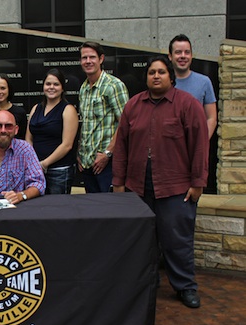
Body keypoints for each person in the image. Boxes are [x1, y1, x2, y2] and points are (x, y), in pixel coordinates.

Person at [112, 56, 209, 308]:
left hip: (176, 188)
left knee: (178, 241)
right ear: (146, 77)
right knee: (143, 241)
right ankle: (147, 283)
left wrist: (198, 183)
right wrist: (119, 183)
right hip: (138, 186)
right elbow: (121, 146)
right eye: (152, 72)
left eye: (162, 72)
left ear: (171, 76)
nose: (156, 76)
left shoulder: (188, 105)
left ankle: (185, 287)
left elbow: (200, 146)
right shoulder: (133, 106)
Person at [77, 41, 129, 193]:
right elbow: (86, 124)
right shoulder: (84, 88)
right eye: (84, 58)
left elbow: (125, 124)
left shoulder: (114, 86)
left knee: (110, 211)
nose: (88, 61)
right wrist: (80, 153)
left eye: (92, 57)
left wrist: (107, 154)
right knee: (93, 211)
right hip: (88, 163)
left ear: (101, 59)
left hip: (107, 164)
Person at [26, 68, 79, 194]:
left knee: (58, 210)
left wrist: (44, 164)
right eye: (48, 84)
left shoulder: (68, 110)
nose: (51, 87)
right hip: (36, 170)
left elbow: (67, 145)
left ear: (62, 88)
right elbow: (29, 138)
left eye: (56, 84)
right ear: (43, 86)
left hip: (59, 171)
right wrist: (34, 163)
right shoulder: (35, 108)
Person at [168, 34, 217, 139]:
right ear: (170, 56)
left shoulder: (204, 82)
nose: (183, 56)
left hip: (195, 146)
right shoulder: (164, 83)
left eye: (187, 52)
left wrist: (201, 143)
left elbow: (211, 117)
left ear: (191, 55)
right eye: (178, 52)